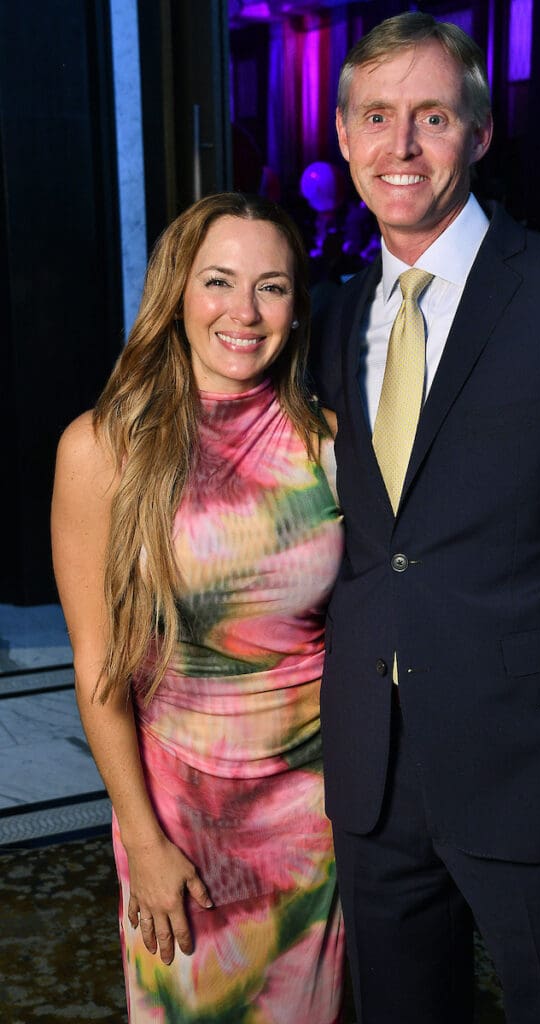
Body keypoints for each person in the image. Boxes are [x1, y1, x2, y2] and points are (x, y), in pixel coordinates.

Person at [310, 12, 540, 1024]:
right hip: (374, 780)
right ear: (342, 134)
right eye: (376, 117)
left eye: (431, 116)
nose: (400, 145)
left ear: (478, 132)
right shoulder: (333, 317)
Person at [51, 192, 345, 1023]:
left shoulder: (330, 446)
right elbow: (98, 670)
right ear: (176, 293)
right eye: (218, 281)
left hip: (315, 825)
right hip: (176, 819)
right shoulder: (103, 449)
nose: (243, 312)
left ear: (297, 308)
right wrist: (143, 841)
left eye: (271, 287)